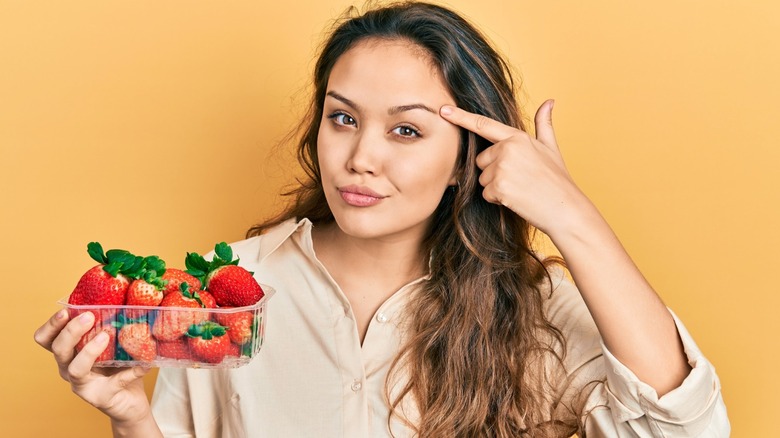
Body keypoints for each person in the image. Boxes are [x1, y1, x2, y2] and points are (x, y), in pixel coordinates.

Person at [34, 2, 730, 437]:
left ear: (468, 158)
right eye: (343, 119)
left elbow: (688, 431)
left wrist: (573, 217)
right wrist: (131, 418)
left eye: (406, 131)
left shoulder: (536, 309)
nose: (359, 158)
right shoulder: (228, 290)